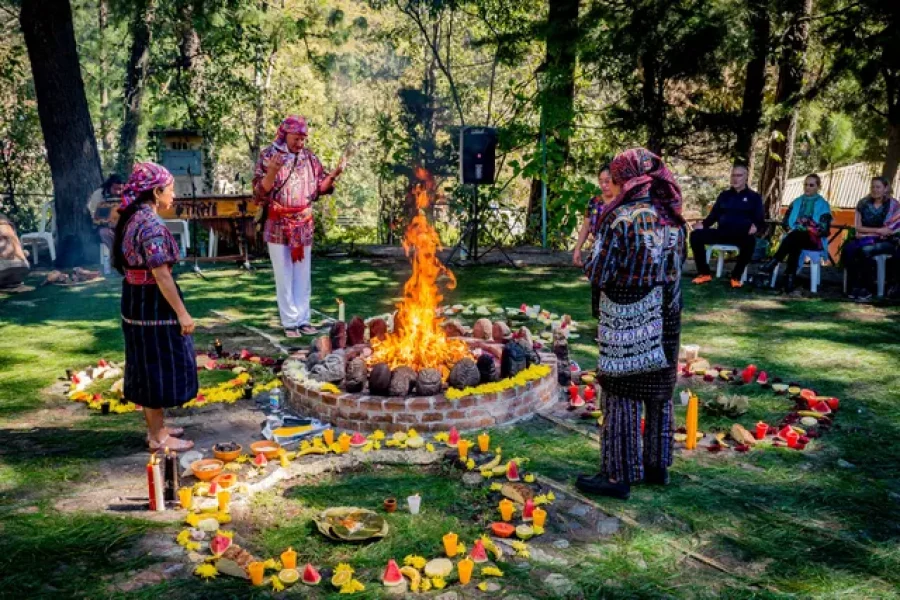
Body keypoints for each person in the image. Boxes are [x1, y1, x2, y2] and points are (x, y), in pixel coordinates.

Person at [577, 148, 687, 500]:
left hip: (628, 315)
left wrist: (590, 256)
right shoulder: (671, 216)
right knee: (658, 393)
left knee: (622, 392)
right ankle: (657, 466)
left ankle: (618, 475)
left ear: (625, 179)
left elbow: (599, 271)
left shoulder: (621, 218)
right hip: (667, 315)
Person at [113, 162, 197, 451]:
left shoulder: (133, 217)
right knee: (157, 363)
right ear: (157, 191)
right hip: (151, 301)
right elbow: (161, 274)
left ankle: (157, 426)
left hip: (136, 297)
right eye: (171, 190)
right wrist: (182, 313)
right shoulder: (149, 224)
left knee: (149, 361)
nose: (173, 195)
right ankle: (158, 436)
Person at [253, 116, 344, 338]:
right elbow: (259, 192)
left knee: (303, 275)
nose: (300, 143)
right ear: (285, 135)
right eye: (296, 138)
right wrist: (272, 171)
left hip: (303, 222)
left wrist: (334, 175)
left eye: (303, 139)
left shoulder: (310, 158)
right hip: (278, 223)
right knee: (284, 274)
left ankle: (303, 319)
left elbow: (320, 188)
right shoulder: (268, 155)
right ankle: (290, 322)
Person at [689, 165, 763, 288]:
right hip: (722, 232)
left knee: (750, 242)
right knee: (695, 236)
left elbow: (759, 219)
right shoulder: (724, 195)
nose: (735, 179)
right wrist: (703, 225)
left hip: (742, 234)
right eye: (733, 175)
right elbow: (713, 216)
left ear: (746, 178)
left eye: (739, 175)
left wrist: (756, 226)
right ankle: (704, 273)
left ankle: (736, 277)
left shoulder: (754, 197)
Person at [761, 174, 832, 293]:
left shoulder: (823, 205)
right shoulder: (796, 202)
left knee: (796, 237)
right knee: (795, 241)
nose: (807, 187)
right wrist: (791, 229)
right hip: (795, 237)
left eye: (811, 185)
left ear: (818, 187)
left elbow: (824, 230)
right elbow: (785, 222)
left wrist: (808, 227)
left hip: (814, 240)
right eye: (805, 184)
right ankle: (789, 278)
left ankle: (775, 262)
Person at [573, 164, 620, 318]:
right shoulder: (594, 202)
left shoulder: (622, 201)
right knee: (597, 288)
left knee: (615, 289)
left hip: (617, 253)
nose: (604, 185)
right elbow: (586, 225)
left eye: (607, 181)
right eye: (601, 181)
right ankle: (600, 322)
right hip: (598, 253)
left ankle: (614, 322)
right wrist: (577, 249)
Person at [843, 177, 900, 301]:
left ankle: (867, 288)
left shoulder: (893, 205)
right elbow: (858, 227)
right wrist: (877, 231)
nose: (875, 190)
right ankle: (853, 287)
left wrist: (870, 231)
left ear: (886, 188)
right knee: (848, 249)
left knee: (866, 250)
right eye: (873, 186)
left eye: (878, 187)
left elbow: (889, 231)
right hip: (865, 238)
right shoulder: (863, 203)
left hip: (887, 242)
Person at [88, 174, 125, 249]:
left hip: (122, 226)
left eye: (120, 189)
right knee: (105, 233)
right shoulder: (98, 195)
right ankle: (115, 254)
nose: (118, 192)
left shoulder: (126, 194)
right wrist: (108, 224)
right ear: (109, 186)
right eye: (115, 189)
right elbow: (95, 216)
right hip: (104, 227)